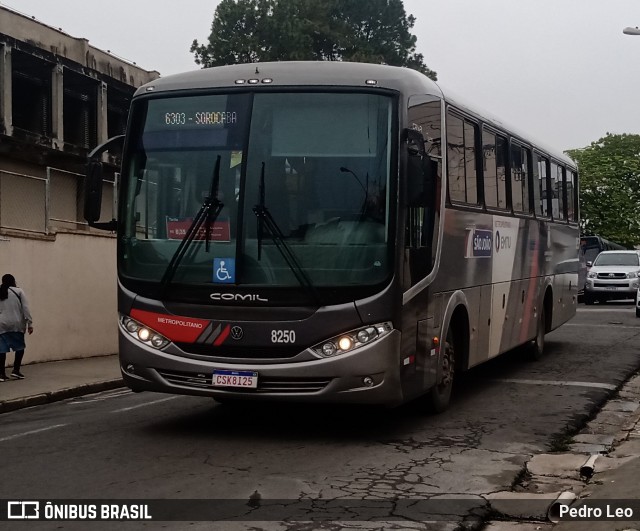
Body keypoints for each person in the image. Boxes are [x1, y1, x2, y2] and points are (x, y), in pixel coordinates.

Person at [0, 274, 33, 381]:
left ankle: (1, 374)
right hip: (16, 323)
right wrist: (30, 323)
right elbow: (25, 308)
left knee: (2, 350)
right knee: (20, 347)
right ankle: (16, 370)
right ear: (13, 281)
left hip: (2, 324)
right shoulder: (19, 291)